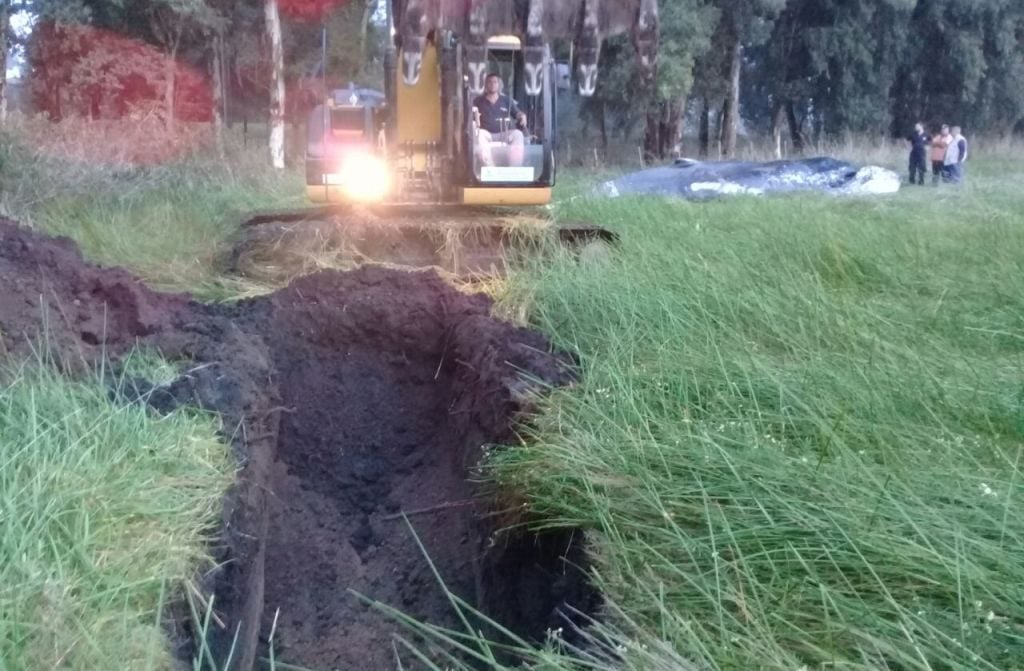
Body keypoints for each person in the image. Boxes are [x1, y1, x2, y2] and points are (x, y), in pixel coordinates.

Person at [472, 73, 527, 168]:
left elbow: (517, 113)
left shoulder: (506, 100)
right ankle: (490, 168)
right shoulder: (478, 101)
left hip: (504, 134)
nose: (492, 84)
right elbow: (472, 115)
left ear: (498, 85)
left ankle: (515, 169)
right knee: (479, 135)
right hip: (487, 134)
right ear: (485, 85)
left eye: (495, 82)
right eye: (489, 82)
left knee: (518, 134)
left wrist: (522, 116)